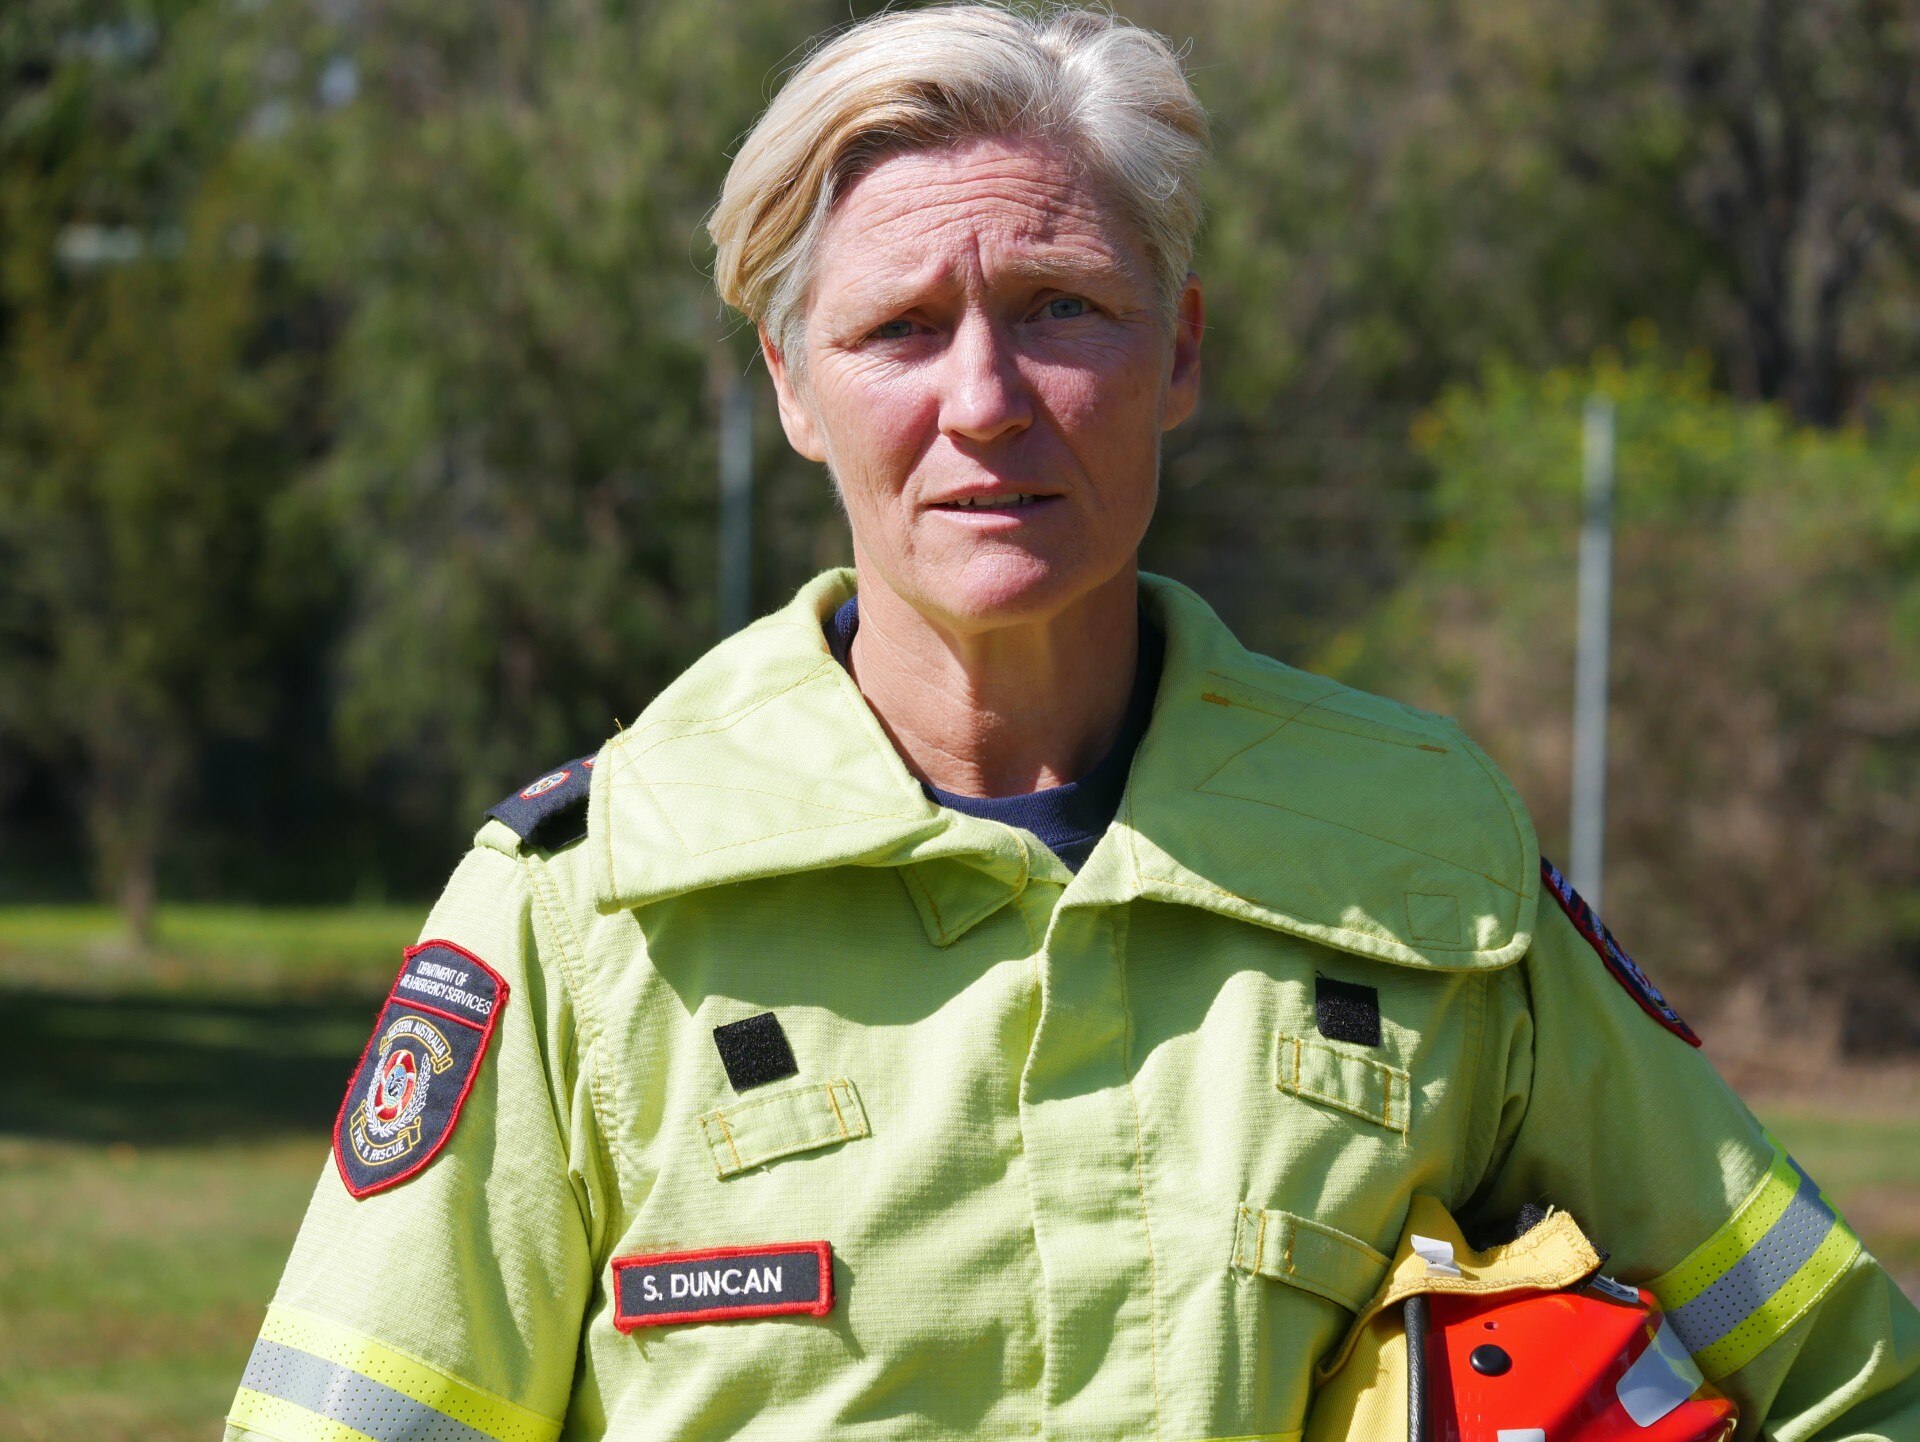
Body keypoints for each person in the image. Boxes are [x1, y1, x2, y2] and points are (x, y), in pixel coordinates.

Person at [223, 6, 1920, 1441]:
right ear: (791, 388)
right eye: (898, 328)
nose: (983, 401)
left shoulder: (1426, 867)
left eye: (1061, 307)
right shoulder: (586, 907)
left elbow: (1848, 1380)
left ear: (1177, 350)